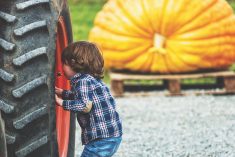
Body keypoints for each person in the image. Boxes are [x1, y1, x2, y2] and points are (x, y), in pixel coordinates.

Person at [55, 41, 123, 157]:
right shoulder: (92, 80)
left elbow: (85, 106)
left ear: (72, 63)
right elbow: (82, 96)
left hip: (101, 139)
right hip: (112, 136)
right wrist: (62, 93)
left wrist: (60, 102)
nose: (61, 68)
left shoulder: (83, 81)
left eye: (64, 64)